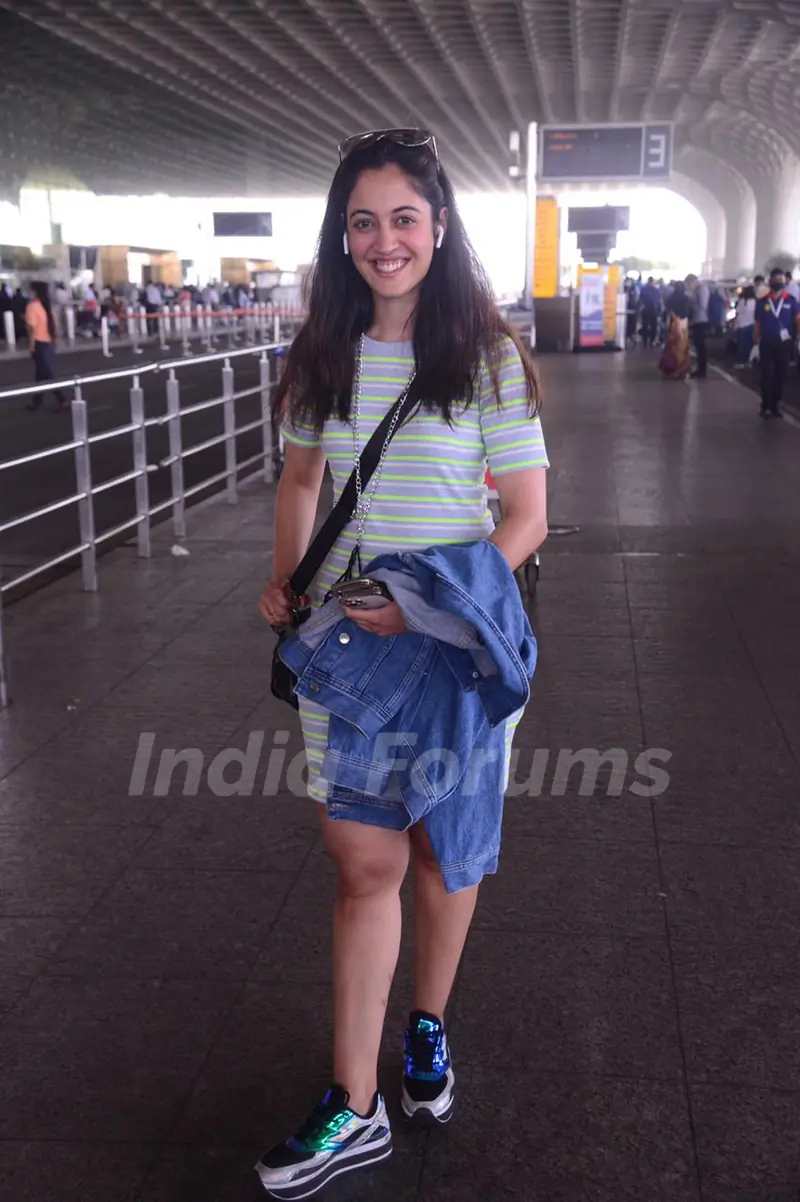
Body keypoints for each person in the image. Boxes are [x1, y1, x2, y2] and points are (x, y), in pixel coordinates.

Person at [256, 128, 548, 1198]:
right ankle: (356, 1100)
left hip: (455, 652)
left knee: (439, 855)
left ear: (438, 229)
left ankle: (425, 1025)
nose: (385, 241)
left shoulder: (485, 357)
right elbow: (297, 481)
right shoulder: (321, 354)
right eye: (364, 222)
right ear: (343, 237)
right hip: (349, 658)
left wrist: (425, 603)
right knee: (360, 860)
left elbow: (523, 517)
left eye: (404, 219)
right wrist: (287, 579)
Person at [751, 266, 800, 417]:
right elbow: (758, 322)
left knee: (780, 374)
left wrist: (798, 336)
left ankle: (775, 405)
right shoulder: (763, 301)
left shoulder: (791, 301)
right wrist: (755, 339)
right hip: (767, 342)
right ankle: (765, 405)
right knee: (767, 374)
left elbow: (798, 320)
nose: (779, 282)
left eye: (781, 280)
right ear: (770, 281)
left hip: (785, 344)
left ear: (785, 281)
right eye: (776, 279)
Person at [24, 281, 67, 411]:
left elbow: (31, 329)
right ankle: (37, 401)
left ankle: (62, 399)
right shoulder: (47, 306)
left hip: (39, 343)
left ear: (34, 291)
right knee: (40, 374)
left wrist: (31, 346)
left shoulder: (32, 306)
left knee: (47, 373)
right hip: (49, 342)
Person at [658, 281, 692, 379]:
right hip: (683, 324)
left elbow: (667, 310)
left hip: (672, 323)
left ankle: (670, 367)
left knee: (671, 346)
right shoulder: (686, 298)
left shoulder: (671, 298)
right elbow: (688, 312)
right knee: (682, 347)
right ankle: (681, 369)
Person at [685, 273, 710, 379]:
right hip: (696, 320)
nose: (689, 287)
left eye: (689, 284)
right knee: (698, 345)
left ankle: (702, 370)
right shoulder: (697, 290)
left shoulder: (702, 289)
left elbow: (703, 305)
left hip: (700, 320)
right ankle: (700, 368)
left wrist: (693, 306)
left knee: (700, 346)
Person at [734, 285, 756, 367]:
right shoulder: (756, 301)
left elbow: (737, 313)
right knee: (750, 344)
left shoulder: (743, 301)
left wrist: (735, 324)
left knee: (742, 345)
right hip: (752, 325)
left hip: (742, 325)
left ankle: (742, 361)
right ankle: (749, 361)